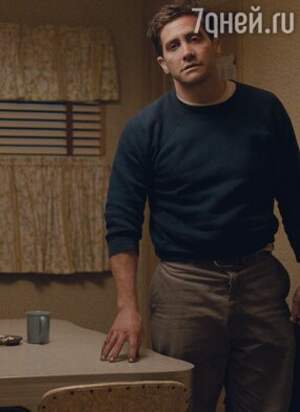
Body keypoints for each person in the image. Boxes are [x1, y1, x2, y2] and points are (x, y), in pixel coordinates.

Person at [100, 3, 299, 412]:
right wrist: (126, 307)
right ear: (163, 63)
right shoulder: (144, 129)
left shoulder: (265, 110)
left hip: (259, 280)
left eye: (195, 38)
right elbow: (121, 221)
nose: (186, 51)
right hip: (183, 288)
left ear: (215, 44)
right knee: (184, 403)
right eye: (173, 45)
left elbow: (294, 197)